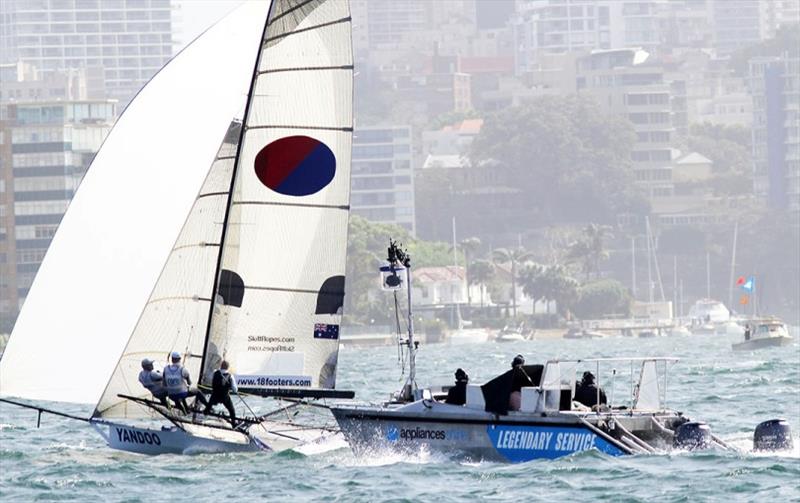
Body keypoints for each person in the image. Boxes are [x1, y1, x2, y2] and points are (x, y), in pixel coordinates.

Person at [204, 360, 238, 427]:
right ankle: (234, 423)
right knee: (232, 410)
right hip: (224, 397)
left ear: (221, 366)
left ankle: (205, 413)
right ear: (228, 367)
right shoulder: (230, 376)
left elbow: (209, 378)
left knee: (208, 406)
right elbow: (235, 389)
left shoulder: (215, 373)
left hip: (215, 396)